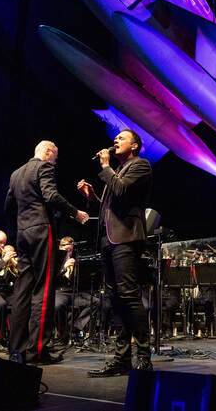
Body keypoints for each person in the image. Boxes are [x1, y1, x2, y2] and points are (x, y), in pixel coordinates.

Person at [5, 140, 89, 365]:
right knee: (43, 291)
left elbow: (8, 206)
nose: (55, 162)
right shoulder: (43, 167)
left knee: (22, 292)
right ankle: (38, 351)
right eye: (55, 157)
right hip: (42, 231)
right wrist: (75, 213)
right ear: (48, 152)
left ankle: (17, 350)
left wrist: (21, 226)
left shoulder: (15, 174)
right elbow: (51, 196)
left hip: (22, 233)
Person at [78, 129, 153, 376]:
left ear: (135, 146)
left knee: (129, 296)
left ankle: (143, 355)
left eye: (121, 138)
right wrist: (94, 198)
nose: (115, 141)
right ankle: (121, 359)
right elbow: (112, 207)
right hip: (108, 240)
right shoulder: (117, 171)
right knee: (114, 299)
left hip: (127, 238)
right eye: (115, 138)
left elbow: (121, 190)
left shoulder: (140, 165)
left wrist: (105, 166)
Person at [54, 236, 77, 344]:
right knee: (58, 306)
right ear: (60, 248)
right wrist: (64, 268)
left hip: (73, 292)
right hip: (60, 291)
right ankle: (63, 335)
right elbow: (52, 278)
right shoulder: (55, 260)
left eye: (71, 250)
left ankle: (75, 329)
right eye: (66, 250)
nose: (69, 253)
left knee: (96, 302)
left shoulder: (75, 259)